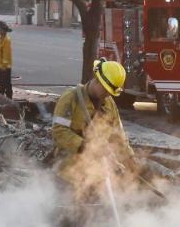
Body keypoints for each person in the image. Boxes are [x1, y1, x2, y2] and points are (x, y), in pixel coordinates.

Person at [50, 58, 137, 192]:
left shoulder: (109, 104)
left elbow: (118, 136)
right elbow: (59, 131)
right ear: (98, 80)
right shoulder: (71, 98)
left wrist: (130, 160)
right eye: (106, 90)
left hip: (95, 175)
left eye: (110, 92)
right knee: (68, 211)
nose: (108, 95)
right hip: (67, 174)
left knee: (96, 210)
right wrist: (87, 147)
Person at [0, 20, 14, 99]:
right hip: (0, 66)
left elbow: (6, 55)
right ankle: (2, 98)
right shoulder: (0, 38)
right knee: (1, 84)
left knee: (7, 83)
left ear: (4, 30)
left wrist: (4, 66)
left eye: (0, 29)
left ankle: (9, 99)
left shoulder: (6, 40)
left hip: (5, 67)